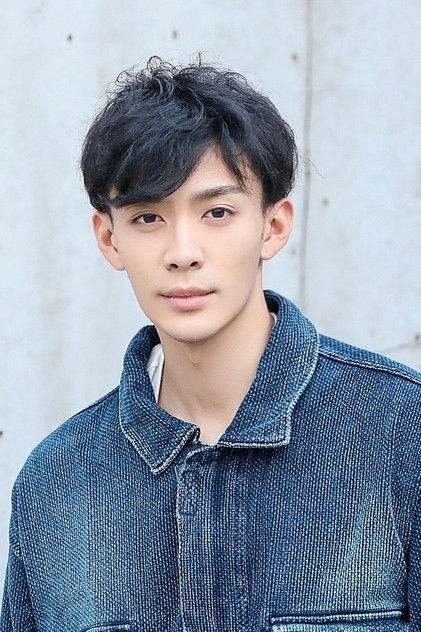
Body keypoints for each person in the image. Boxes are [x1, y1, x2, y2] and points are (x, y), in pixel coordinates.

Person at [1, 56, 420, 632]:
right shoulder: (58, 481)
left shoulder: (400, 432)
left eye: (217, 212)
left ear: (273, 226)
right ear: (109, 237)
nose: (183, 252)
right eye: (147, 218)